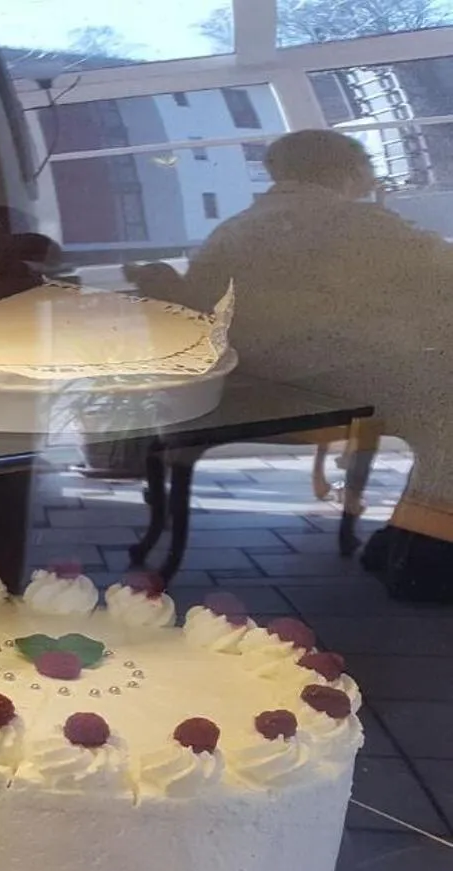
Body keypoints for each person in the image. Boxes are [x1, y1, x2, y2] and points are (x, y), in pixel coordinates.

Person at [129, 129, 453, 602]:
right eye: (366, 163)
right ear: (349, 169)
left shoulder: (237, 228)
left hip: (250, 382)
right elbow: (442, 276)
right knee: (446, 408)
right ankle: (424, 557)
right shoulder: (359, 224)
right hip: (317, 385)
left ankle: (408, 541)